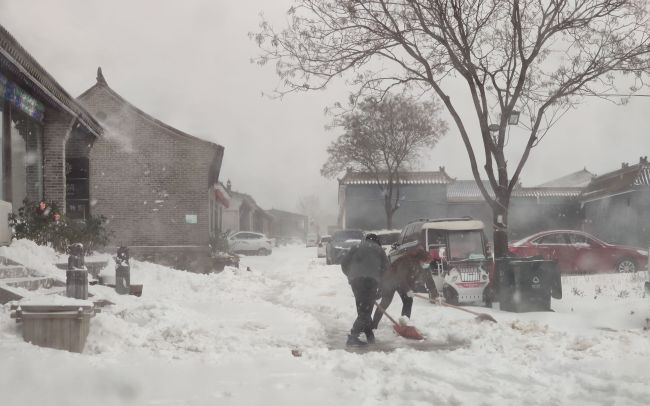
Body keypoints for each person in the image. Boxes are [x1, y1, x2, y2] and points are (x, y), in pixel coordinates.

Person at [372, 248, 439, 329]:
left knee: (408, 300)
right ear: (421, 259)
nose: (427, 264)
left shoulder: (423, 266)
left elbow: (429, 280)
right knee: (385, 302)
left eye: (428, 263)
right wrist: (408, 290)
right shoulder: (407, 261)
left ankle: (405, 324)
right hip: (390, 280)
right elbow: (400, 277)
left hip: (402, 283)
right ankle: (373, 325)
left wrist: (435, 295)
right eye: (426, 262)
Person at [341, 233, 388, 346]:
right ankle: (353, 337)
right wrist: (381, 287)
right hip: (371, 281)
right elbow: (386, 270)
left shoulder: (356, 247)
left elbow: (344, 263)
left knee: (362, 309)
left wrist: (350, 276)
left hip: (356, 281)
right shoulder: (379, 250)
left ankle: (369, 335)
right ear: (377, 241)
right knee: (366, 311)